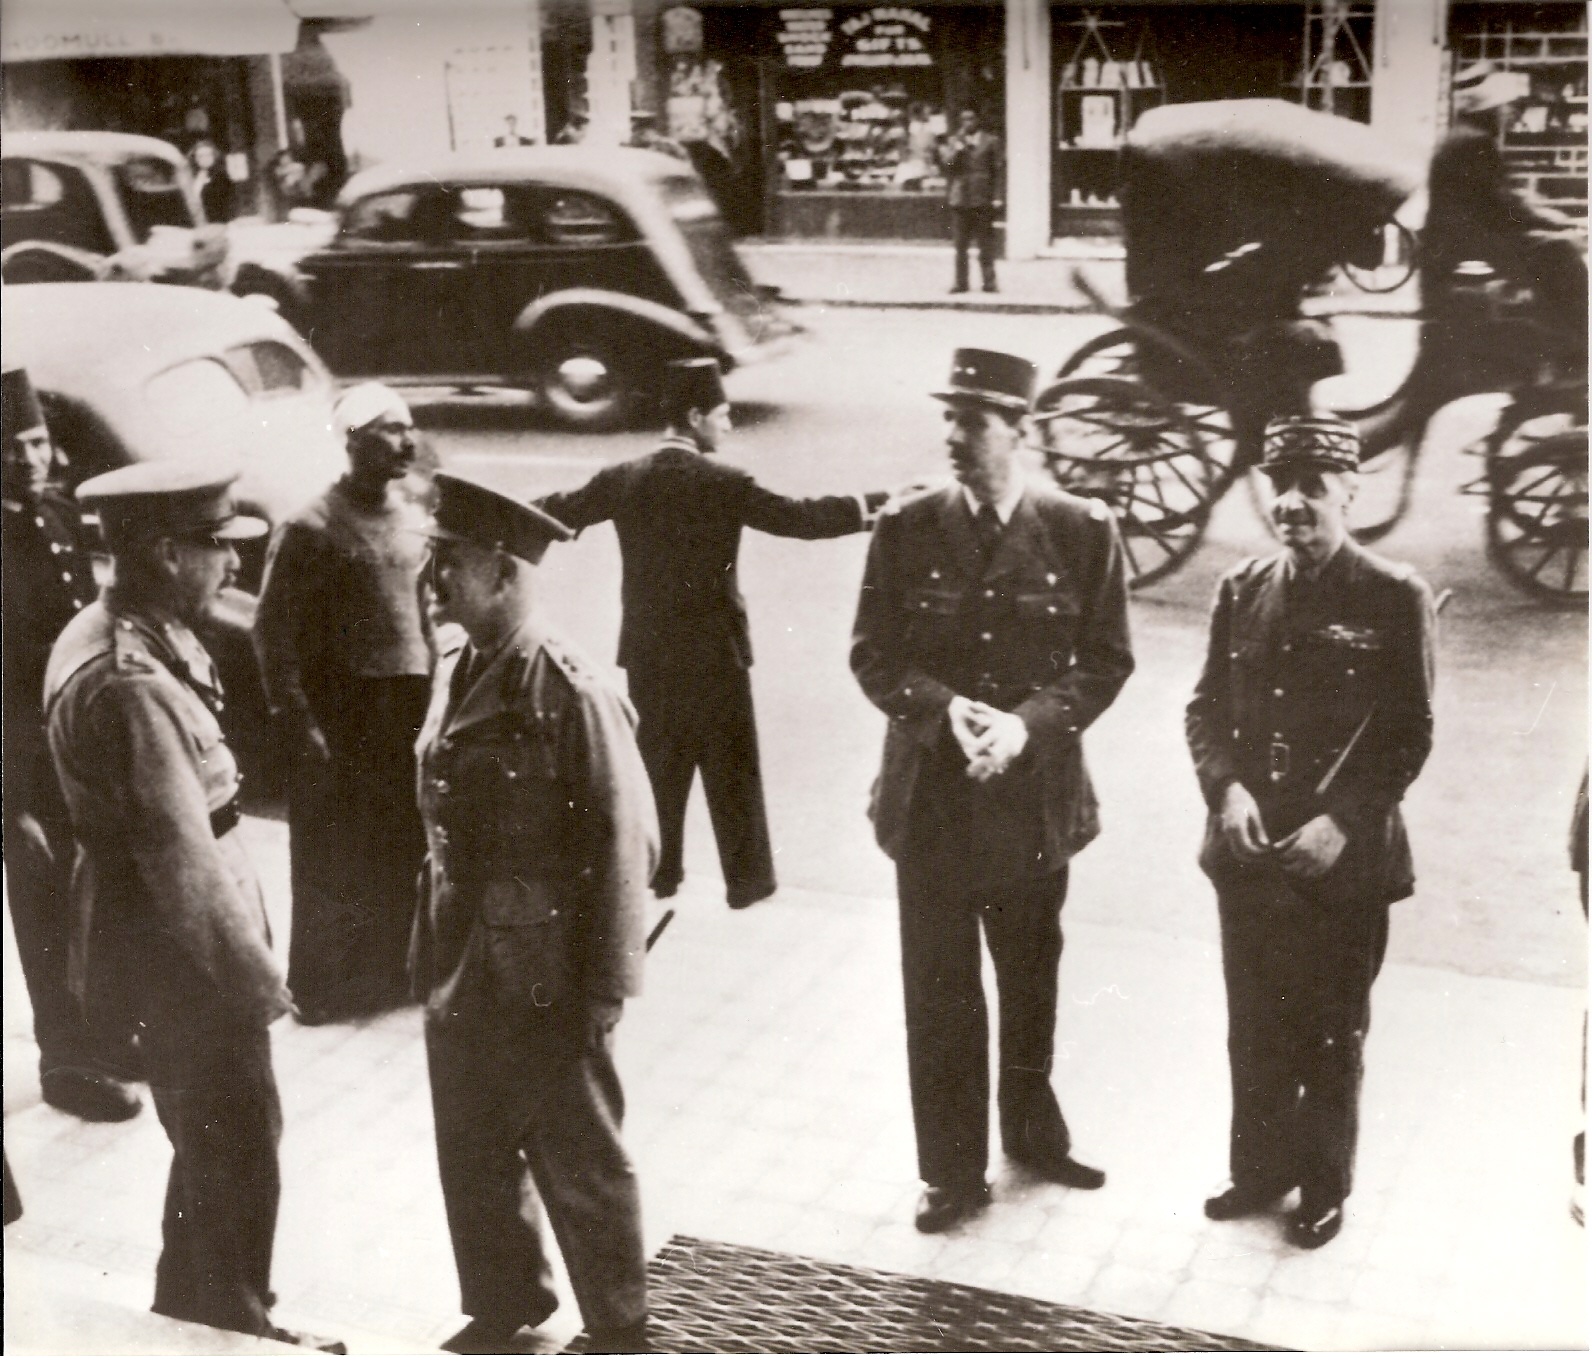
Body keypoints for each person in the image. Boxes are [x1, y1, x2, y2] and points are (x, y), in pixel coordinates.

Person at [44, 462, 342, 1351]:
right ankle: (234, 1325)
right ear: (166, 553)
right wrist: (255, 983)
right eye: (216, 549)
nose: (232, 568)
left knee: (210, 1141)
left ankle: (204, 1311)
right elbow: (180, 859)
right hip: (177, 947)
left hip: (152, 929)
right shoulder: (132, 680)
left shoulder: (130, 629)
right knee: (238, 1138)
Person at [850, 348, 1134, 1234]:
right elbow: (873, 655)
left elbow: (1106, 662)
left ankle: (1032, 1134)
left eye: (973, 421)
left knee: (1029, 977)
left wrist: (1027, 726)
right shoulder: (905, 525)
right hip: (930, 804)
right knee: (937, 992)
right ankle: (951, 1172)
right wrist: (946, 711)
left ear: (1021, 429)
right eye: (949, 418)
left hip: (1033, 804)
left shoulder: (1083, 529)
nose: (954, 436)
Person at [412, 473, 657, 1356]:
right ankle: (504, 1302)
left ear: (507, 573)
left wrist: (606, 986)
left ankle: (620, 1324)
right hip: (460, 952)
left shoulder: (569, 689)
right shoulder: (457, 664)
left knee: (577, 1153)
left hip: (547, 969)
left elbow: (629, 840)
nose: (433, 578)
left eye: (451, 562)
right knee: (471, 1140)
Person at [1186, 415, 1437, 1251]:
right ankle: (1257, 1169)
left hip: (1344, 861)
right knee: (1253, 1021)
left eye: (1313, 488)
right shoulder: (1241, 588)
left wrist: (1343, 820)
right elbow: (1204, 711)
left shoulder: (1394, 595)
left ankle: (1323, 1185)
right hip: (1252, 852)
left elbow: (1409, 734)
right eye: (1279, 486)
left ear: (1350, 492)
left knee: (1331, 1030)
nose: (1292, 504)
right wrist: (1225, 792)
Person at [538, 357, 887, 909]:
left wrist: (490, 521)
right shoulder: (725, 482)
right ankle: (746, 881)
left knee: (657, 767)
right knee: (732, 769)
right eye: (722, 416)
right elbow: (800, 519)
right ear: (695, 417)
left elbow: (559, 514)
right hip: (717, 653)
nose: (727, 425)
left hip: (650, 654)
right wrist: (880, 506)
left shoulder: (622, 479)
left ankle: (659, 871)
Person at [253, 383, 433, 1024]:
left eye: (409, 428)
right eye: (390, 429)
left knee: (399, 844)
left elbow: (424, 615)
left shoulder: (413, 514)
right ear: (352, 441)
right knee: (335, 854)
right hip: (341, 714)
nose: (406, 441)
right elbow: (272, 632)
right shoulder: (309, 526)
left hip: (405, 706)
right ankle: (328, 991)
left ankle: (395, 975)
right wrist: (298, 722)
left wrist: (435, 695)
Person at [2, 367, 142, 1122]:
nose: (27, 460)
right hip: (21, 766)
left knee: (100, 897)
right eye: (10, 449)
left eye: (36, 442)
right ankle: (66, 1059)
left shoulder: (57, 512)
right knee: (45, 906)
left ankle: (109, 1037)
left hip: (77, 751)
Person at [937, 109, 1002, 295]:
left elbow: (998, 170)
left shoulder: (991, 141)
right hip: (961, 199)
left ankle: (989, 282)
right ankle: (960, 283)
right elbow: (947, 166)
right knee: (960, 245)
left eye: (971, 119)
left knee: (985, 244)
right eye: (963, 119)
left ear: (978, 120)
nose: (967, 123)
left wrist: (997, 196)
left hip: (982, 198)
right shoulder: (955, 142)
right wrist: (957, 149)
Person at [188, 138, 233, 224]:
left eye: (208, 155)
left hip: (216, 222)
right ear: (195, 158)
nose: (205, 159)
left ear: (214, 156)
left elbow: (224, 204)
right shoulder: (193, 177)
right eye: (200, 156)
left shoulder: (221, 177)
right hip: (196, 221)